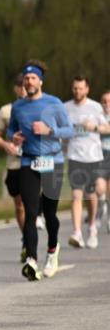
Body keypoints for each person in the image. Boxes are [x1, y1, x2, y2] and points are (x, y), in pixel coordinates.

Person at [8, 61, 74, 280]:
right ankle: (32, 260)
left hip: (53, 161)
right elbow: (11, 130)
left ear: (40, 81)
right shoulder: (18, 107)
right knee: (30, 212)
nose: (29, 81)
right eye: (26, 78)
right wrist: (14, 137)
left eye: (33, 78)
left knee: (50, 213)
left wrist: (49, 130)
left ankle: (52, 251)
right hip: (28, 162)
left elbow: (69, 131)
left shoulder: (54, 103)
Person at [63, 76, 109, 249]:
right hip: (75, 157)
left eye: (81, 88)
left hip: (93, 157)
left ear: (87, 89)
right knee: (76, 195)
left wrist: (94, 128)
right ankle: (77, 232)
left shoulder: (96, 107)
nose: (77, 91)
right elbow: (61, 131)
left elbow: (107, 128)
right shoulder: (65, 107)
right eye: (75, 88)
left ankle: (92, 227)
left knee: (92, 195)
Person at [0, 73, 28, 260]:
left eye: (26, 85)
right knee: (20, 205)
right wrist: (6, 145)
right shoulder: (6, 111)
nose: (23, 89)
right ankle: (27, 239)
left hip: (36, 162)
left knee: (34, 202)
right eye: (20, 86)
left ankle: (34, 226)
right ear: (15, 89)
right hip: (15, 163)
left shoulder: (42, 107)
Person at [98, 91, 110, 233]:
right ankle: (101, 207)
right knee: (100, 189)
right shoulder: (97, 117)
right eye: (104, 101)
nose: (107, 104)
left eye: (109, 101)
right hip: (99, 155)